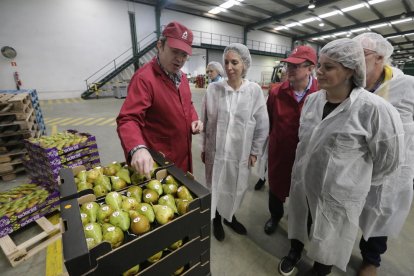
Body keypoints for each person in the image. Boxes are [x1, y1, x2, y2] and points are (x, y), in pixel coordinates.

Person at [278, 38, 404, 276]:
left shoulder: (374, 109)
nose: (320, 72)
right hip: (304, 183)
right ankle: (295, 250)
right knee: (300, 221)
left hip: (339, 196)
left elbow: (389, 161)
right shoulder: (314, 100)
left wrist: (355, 182)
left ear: (350, 70)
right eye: (320, 65)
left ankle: (320, 269)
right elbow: (304, 141)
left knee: (329, 238)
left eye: (329, 67)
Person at [353, 32, 414, 276]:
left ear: (380, 58)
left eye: (360, 56)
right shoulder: (352, 86)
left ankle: (371, 260)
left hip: (393, 167)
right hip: (357, 162)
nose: (354, 61)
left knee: (381, 210)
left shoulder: (407, 86)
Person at [201, 43, 269, 241]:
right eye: (226, 62)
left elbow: (262, 125)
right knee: (216, 187)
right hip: (217, 153)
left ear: (245, 65)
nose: (229, 67)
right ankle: (216, 220)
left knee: (235, 187)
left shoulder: (254, 91)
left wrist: (255, 151)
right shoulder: (213, 90)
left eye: (235, 62)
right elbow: (205, 121)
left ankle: (230, 217)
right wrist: (204, 148)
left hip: (240, 155)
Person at [117, 21, 203, 178]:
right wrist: (137, 147)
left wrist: (194, 118)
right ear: (160, 45)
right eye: (175, 51)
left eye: (184, 55)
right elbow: (128, 119)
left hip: (184, 157)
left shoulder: (182, 78)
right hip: (160, 161)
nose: (179, 59)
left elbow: (187, 104)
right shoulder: (144, 78)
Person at [263, 46, 318, 235]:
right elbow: (269, 121)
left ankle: (305, 224)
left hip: (307, 156)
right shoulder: (277, 93)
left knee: (306, 192)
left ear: (310, 68)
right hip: (280, 150)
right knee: (276, 187)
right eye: (289, 66)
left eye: (296, 67)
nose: (289, 70)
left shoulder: (321, 94)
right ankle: (275, 216)